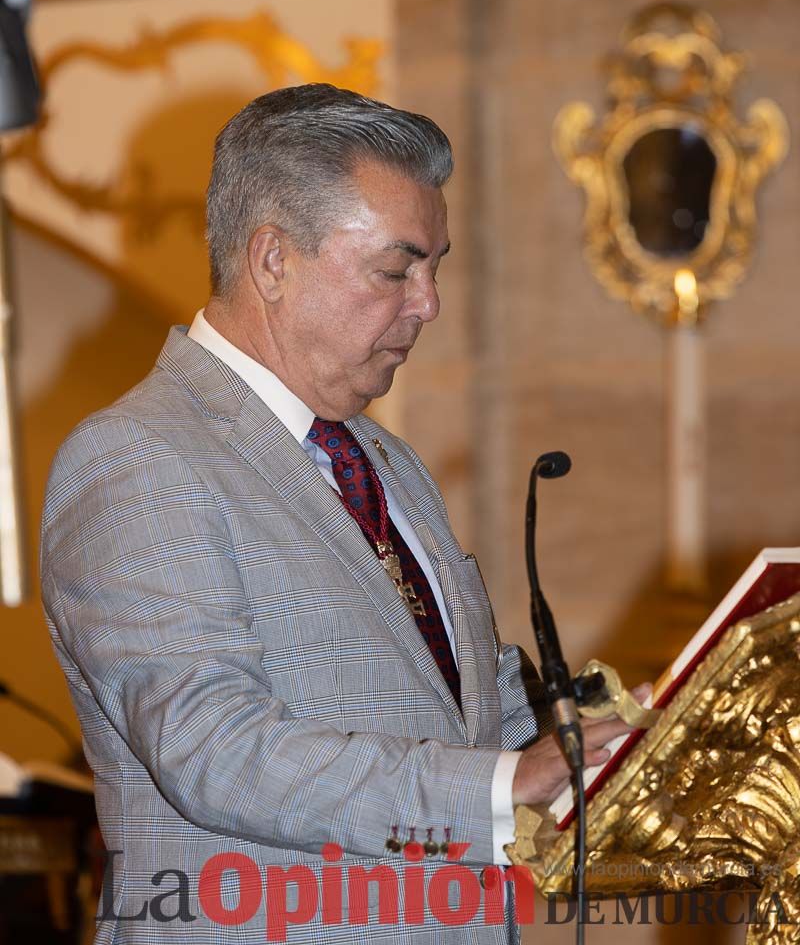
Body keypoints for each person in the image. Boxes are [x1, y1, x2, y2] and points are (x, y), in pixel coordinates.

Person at [41, 85, 627, 944]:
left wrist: (603, 736)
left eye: (436, 266)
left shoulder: (382, 460)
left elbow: (455, 707)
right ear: (273, 259)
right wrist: (502, 790)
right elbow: (215, 753)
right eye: (398, 269)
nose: (428, 302)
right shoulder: (138, 458)